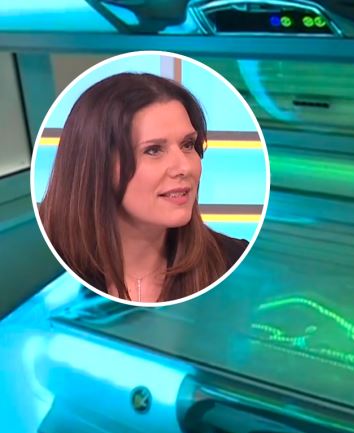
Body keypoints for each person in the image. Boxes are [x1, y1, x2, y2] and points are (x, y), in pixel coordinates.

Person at [39, 72, 248, 303]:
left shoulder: (237, 262)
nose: (184, 167)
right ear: (97, 165)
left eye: (188, 145)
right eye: (153, 150)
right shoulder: (37, 263)